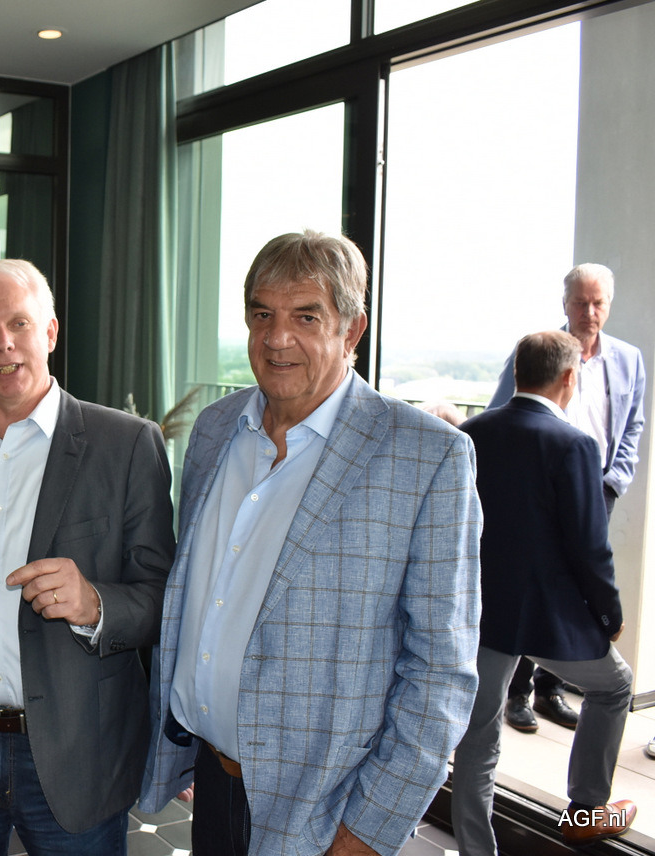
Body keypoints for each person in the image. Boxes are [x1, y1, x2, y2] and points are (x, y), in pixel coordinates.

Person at [140, 229, 482, 855]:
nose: (277, 338)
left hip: (323, 814)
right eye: (262, 315)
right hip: (212, 782)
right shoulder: (216, 430)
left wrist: (365, 833)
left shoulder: (427, 456)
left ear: (353, 331)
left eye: (306, 317)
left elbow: (441, 673)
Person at [0, 259, 175, 854]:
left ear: (49, 332)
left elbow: (163, 600)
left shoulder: (126, 444)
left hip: (77, 751)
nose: (3, 343)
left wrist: (94, 603)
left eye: (19, 323)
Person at [452, 330, 634, 852]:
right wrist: (608, 616)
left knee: (478, 739)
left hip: (483, 612)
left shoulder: (472, 433)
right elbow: (590, 548)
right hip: (547, 619)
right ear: (569, 378)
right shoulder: (575, 444)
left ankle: (475, 850)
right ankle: (586, 812)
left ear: (518, 372)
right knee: (614, 687)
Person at [489, 263, 645, 733]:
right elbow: (503, 414)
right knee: (532, 585)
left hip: (597, 487)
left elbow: (632, 426)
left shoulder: (628, 359)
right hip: (540, 491)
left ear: (608, 306)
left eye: (598, 303)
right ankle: (516, 694)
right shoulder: (539, 352)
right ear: (565, 304)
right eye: (580, 302)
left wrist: (613, 481)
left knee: (574, 590)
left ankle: (549, 690)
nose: (589, 312)